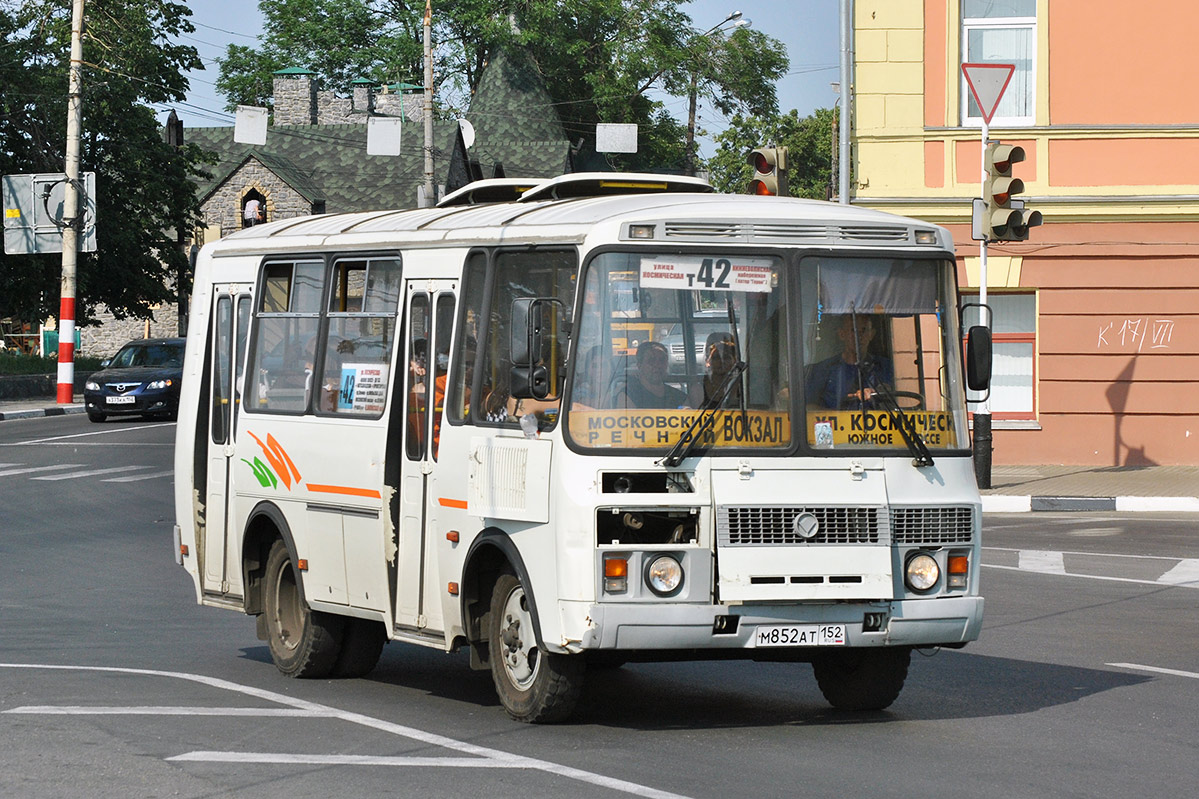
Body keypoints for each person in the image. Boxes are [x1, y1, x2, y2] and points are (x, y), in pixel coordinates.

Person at [805, 314, 894, 409]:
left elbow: (890, 389)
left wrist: (876, 392)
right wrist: (837, 416)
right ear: (842, 334)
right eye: (853, 330)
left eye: (864, 331)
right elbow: (808, 408)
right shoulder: (823, 370)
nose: (859, 336)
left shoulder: (884, 366)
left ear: (871, 334)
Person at [615, 340, 687, 409]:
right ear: (639, 365)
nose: (657, 365)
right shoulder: (629, 395)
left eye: (662, 360)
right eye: (651, 360)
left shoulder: (678, 396)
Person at [688, 332, 741, 408]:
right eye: (716, 357)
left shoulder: (742, 387)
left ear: (735, 361)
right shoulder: (698, 389)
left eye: (726, 357)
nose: (721, 361)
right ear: (708, 361)